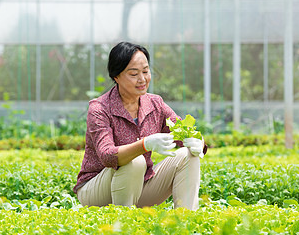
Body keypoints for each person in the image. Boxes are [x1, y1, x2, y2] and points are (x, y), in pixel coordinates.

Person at [73, 42, 207, 210]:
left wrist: (198, 141)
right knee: (135, 161)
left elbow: (182, 132)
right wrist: (145, 144)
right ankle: (122, 224)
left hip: (138, 186)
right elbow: (107, 156)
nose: (142, 79)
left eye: (145, 71)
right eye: (134, 74)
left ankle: (185, 222)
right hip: (96, 190)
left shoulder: (155, 103)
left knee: (188, 155)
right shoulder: (99, 108)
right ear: (116, 76)